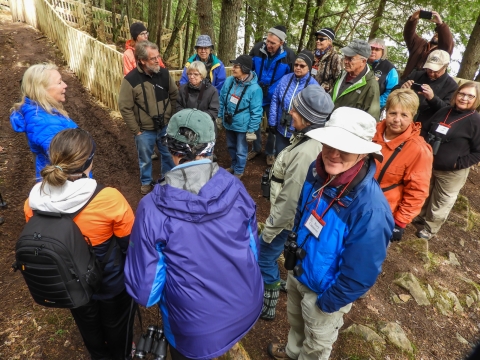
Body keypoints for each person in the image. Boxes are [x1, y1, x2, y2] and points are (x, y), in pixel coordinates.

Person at [124, 108, 263, 360]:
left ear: (171, 149)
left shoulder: (152, 208)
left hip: (194, 330)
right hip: (246, 306)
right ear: (210, 146)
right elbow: (253, 251)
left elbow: (146, 292)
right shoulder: (235, 187)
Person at [267, 107, 393, 360]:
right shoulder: (318, 173)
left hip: (324, 292)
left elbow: (361, 273)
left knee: (317, 343)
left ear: (362, 152)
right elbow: (303, 216)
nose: (333, 154)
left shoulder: (370, 209)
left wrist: (328, 303)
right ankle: (292, 352)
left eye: (344, 148)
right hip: (299, 270)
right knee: (295, 322)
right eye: (329, 144)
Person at [24, 128, 135, 360]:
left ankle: (98, 355)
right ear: (90, 161)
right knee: (117, 324)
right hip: (109, 280)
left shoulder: (32, 203)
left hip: (69, 281)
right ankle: (121, 354)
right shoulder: (108, 198)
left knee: (87, 321)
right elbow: (129, 244)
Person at [259, 85, 334, 321]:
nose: (290, 112)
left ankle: (268, 304)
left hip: (287, 220)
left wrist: (271, 229)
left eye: (296, 110)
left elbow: (291, 199)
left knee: (264, 257)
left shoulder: (306, 152)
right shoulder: (308, 140)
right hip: (295, 219)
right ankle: (278, 283)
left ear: (308, 117)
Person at [416, 81, 480, 240]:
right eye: (462, 94)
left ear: (476, 99)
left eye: (470, 96)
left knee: (442, 200)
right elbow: (426, 128)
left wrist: (457, 163)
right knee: (425, 192)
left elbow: (478, 151)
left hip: (452, 171)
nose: (464, 98)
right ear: (456, 94)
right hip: (429, 163)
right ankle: (420, 216)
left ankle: (430, 228)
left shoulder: (475, 121)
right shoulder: (445, 110)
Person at [118, 41, 178, 195]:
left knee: (168, 155)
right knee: (145, 158)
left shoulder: (164, 74)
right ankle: (146, 181)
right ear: (142, 61)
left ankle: (166, 179)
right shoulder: (130, 80)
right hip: (144, 130)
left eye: (158, 56)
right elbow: (125, 107)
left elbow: (174, 95)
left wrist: (172, 119)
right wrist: (136, 130)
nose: (158, 60)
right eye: (153, 58)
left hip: (165, 126)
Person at [372, 89, 433, 241]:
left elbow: (417, 191)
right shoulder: (371, 132)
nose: (396, 119)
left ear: (413, 116)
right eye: (392, 113)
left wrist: (399, 223)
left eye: (404, 115)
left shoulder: (418, 150)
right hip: (352, 202)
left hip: (383, 212)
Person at [10, 63, 78, 181]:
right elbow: (67, 165)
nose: (65, 85)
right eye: (59, 82)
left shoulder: (43, 113)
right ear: (42, 89)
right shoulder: (45, 123)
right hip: (63, 189)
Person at [248, 25, 296, 166]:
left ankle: (270, 152)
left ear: (281, 43)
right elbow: (249, 69)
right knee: (254, 122)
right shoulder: (258, 49)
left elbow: (291, 78)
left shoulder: (289, 56)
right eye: (267, 41)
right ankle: (255, 148)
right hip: (257, 94)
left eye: (272, 43)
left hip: (275, 98)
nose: (268, 45)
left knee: (273, 126)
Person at [217, 55, 263, 179]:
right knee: (231, 146)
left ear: (245, 68)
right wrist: (220, 117)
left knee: (241, 150)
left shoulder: (255, 89)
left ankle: (239, 170)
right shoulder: (229, 81)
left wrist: (251, 130)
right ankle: (233, 165)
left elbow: (257, 111)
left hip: (242, 125)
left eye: (236, 67)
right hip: (229, 121)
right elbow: (222, 100)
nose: (233, 69)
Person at [269, 50, 319, 154]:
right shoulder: (285, 79)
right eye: (296, 64)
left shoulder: (314, 86)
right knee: (280, 153)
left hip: (299, 132)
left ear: (309, 67)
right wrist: (272, 121)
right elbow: (275, 99)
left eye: (302, 66)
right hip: (281, 126)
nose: (298, 68)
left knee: (293, 157)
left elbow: (314, 112)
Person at [396, 49, 458, 125]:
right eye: (429, 69)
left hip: (428, 125)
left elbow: (447, 111)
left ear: (445, 66)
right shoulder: (416, 75)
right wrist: (401, 90)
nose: (431, 73)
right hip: (403, 120)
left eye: (436, 71)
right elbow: (393, 92)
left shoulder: (452, 86)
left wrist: (432, 98)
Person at [331, 39, 381, 120]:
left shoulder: (371, 85)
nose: (346, 61)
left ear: (363, 61)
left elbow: (372, 120)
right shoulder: (343, 75)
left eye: (350, 59)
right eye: (345, 57)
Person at [402, 10, 454, 80]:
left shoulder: (443, 52)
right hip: (407, 82)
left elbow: (447, 43)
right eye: (436, 32)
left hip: (427, 86)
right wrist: (413, 19)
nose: (436, 34)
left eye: (440, 34)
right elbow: (409, 35)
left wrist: (440, 24)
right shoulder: (420, 44)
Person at [367, 38, 399, 109]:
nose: (373, 51)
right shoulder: (361, 62)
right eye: (371, 48)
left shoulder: (390, 69)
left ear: (383, 52)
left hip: (374, 107)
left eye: (377, 50)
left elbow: (391, 91)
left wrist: (375, 103)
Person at [311, 28, 342, 93]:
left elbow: (338, 80)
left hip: (322, 95)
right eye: (317, 39)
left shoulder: (335, 57)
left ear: (329, 41)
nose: (318, 41)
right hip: (308, 90)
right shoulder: (312, 54)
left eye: (321, 39)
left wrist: (326, 87)